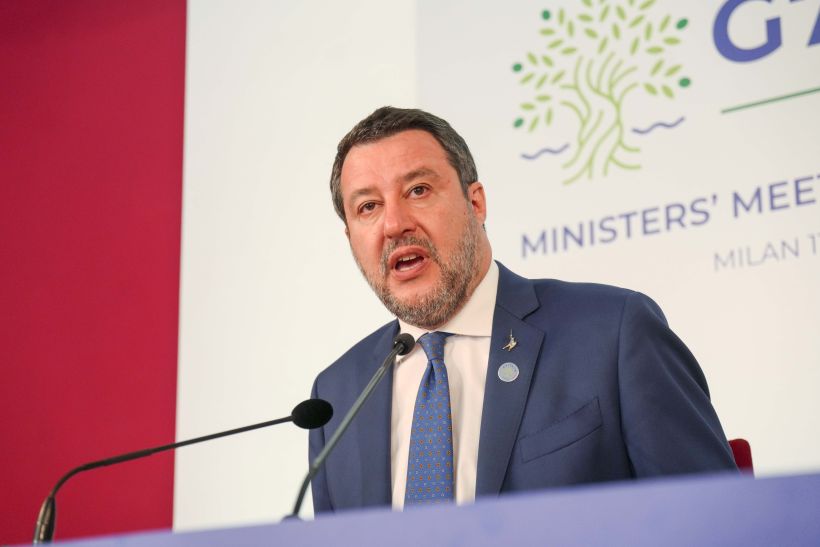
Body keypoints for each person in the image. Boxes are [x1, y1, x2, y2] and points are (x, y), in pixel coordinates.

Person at [309, 106, 737, 513]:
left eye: (418, 190)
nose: (393, 224)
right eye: (368, 207)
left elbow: (715, 519)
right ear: (351, 239)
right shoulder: (337, 398)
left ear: (476, 203)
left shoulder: (614, 333)